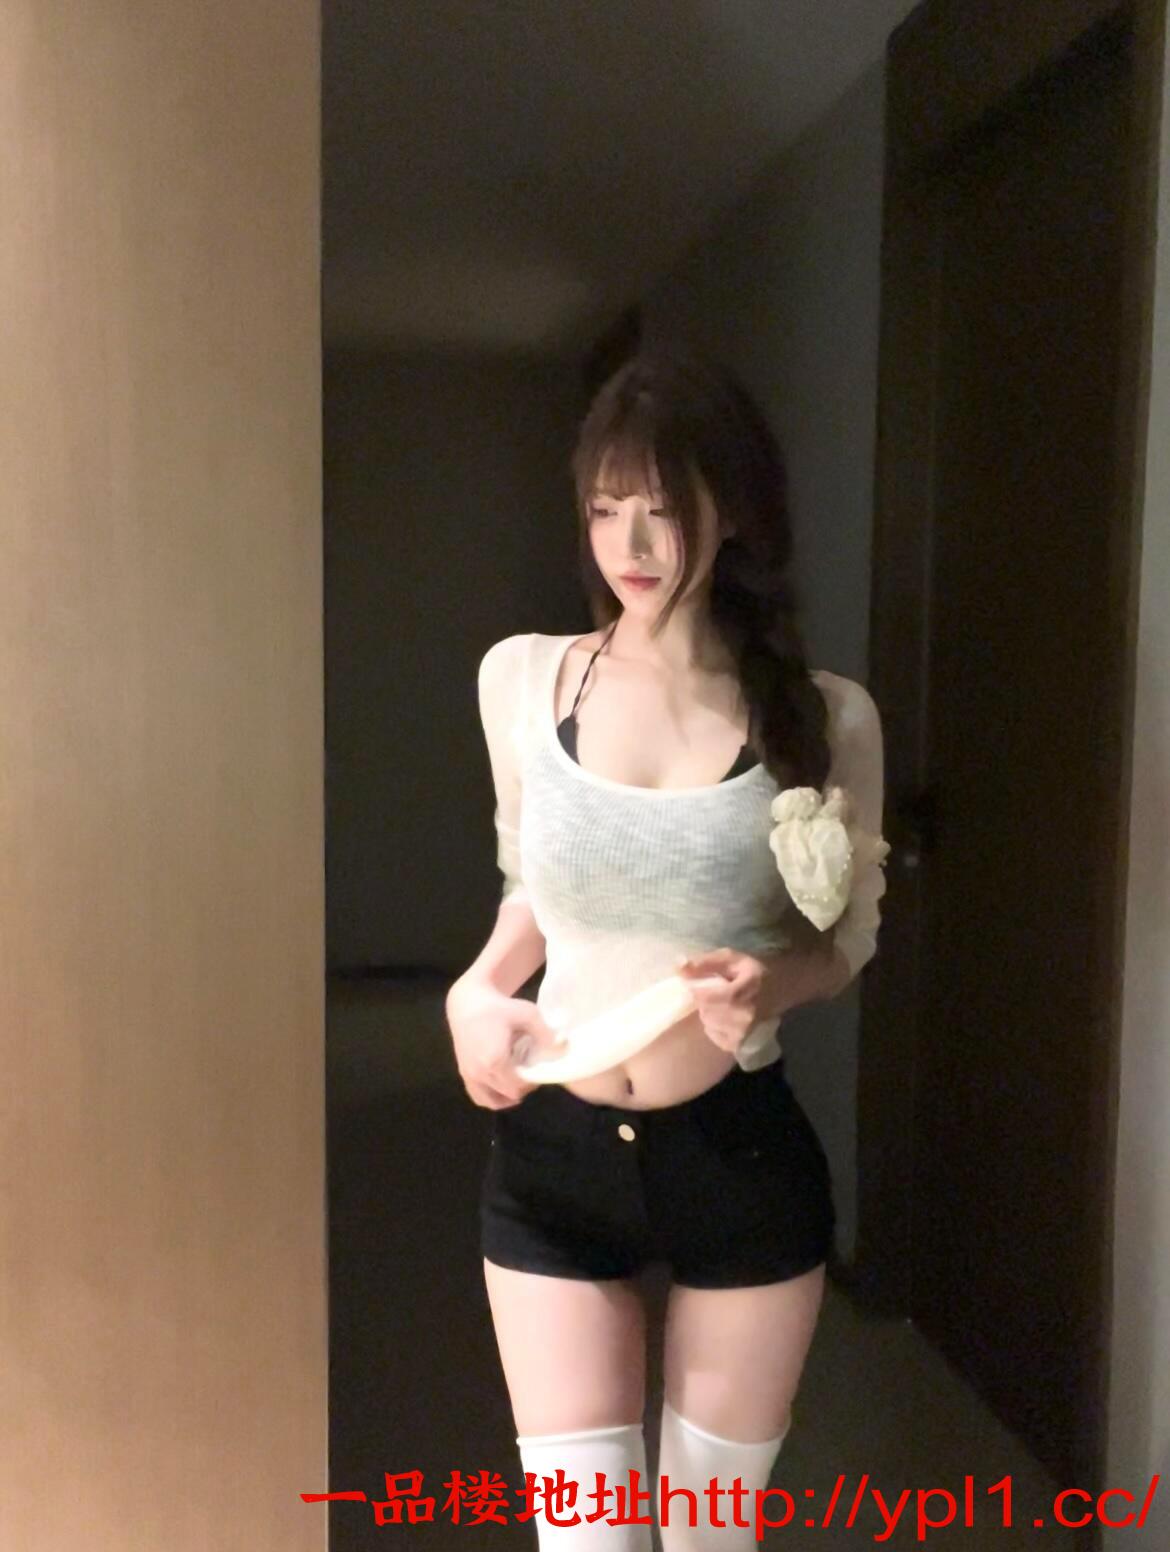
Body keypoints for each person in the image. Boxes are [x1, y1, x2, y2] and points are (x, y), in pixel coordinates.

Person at [444, 344, 889, 1549]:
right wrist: (475, 993)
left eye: (662, 509)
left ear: (731, 508)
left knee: (706, 1539)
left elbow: (847, 936)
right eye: (605, 510)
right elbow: (530, 892)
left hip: (738, 1159)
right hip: (553, 1157)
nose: (629, 544)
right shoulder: (524, 680)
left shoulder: (826, 716)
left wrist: (771, 982)